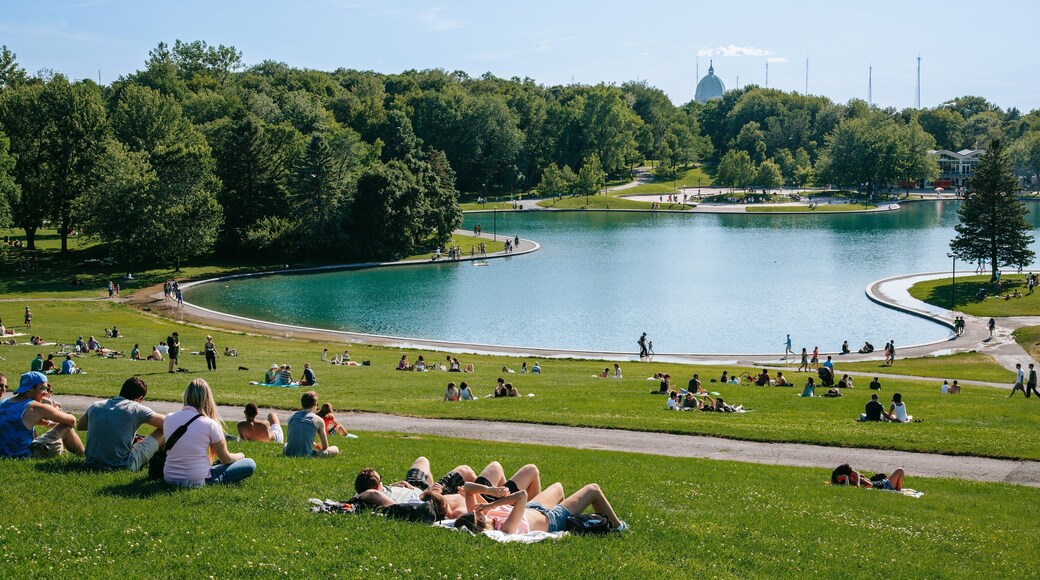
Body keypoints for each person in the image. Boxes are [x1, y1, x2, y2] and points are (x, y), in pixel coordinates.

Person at [163, 378, 256, 487]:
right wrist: (241, 455)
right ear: (207, 399)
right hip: (197, 480)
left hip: (169, 477)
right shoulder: (209, 423)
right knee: (250, 464)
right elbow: (226, 459)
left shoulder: (168, 418)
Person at [454, 480, 627, 534]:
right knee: (593, 489)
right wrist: (491, 504)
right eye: (480, 517)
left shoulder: (483, 515)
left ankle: (574, 519)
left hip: (534, 507)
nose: (481, 513)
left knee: (558, 487)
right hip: (552, 520)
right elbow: (521, 496)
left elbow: (468, 488)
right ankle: (619, 528)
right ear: (483, 525)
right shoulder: (506, 529)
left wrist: (490, 490)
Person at [78, 376, 165, 471]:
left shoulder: (96, 405)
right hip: (122, 465)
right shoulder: (136, 408)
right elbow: (169, 424)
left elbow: (80, 426)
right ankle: (160, 460)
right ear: (139, 398)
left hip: (91, 463)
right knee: (164, 431)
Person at [0, 371, 85, 459]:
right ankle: (85, 457)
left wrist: (47, 422)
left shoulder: (4, 402)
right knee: (67, 428)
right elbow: (71, 421)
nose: (45, 392)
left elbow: (17, 422)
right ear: (30, 388)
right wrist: (57, 410)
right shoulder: (35, 407)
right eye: (43, 388)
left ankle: (66, 453)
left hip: (3, 453)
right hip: (25, 455)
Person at [283, 391, 339, 458]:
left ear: (302, 404)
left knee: (286, 444)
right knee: (335, 449)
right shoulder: (318, 420)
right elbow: (325, 447)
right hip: (307, 455)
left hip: (288, 453)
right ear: (315, 406)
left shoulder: (291, 417)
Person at [831, 464, 905, 491]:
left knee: (890, 476)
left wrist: (856, 476)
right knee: (900, 470)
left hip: (882, 483)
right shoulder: (857, 482)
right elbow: (870, 485)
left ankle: (896, 488)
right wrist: (859, 482)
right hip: (885, 485)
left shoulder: (853, 480)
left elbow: (858, 474)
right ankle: (898, 490)